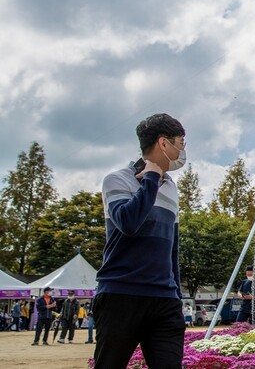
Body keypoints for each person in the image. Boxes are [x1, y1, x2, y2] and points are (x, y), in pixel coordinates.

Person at [93, 113, 187, 368]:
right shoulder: (117, 180)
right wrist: (151, 180)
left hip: (164, 299)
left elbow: (172, 247)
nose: (183, 150)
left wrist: (176, 294)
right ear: (164, 143)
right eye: (181, 142)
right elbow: (128, 223)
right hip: (122, 294)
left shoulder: (171, 187)